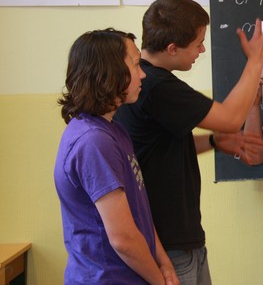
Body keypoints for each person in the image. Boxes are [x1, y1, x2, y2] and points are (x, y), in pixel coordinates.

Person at [113, 0, 263, 284]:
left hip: (181, 240)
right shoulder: (157, 86)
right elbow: (231, 118)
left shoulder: (148, 83)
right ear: (172, 48)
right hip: (169, 245)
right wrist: (255, 62)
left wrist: (212, 142)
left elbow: (156, 147)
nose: (202, 49)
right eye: (198, 43)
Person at [54, 28, 179, 285]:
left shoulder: (113, 130)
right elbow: (123, 239)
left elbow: (139, 212)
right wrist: (159, 280)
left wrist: (164, 262)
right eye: (135, 65)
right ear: (109, 72)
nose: (143, 74)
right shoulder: (93, 141)